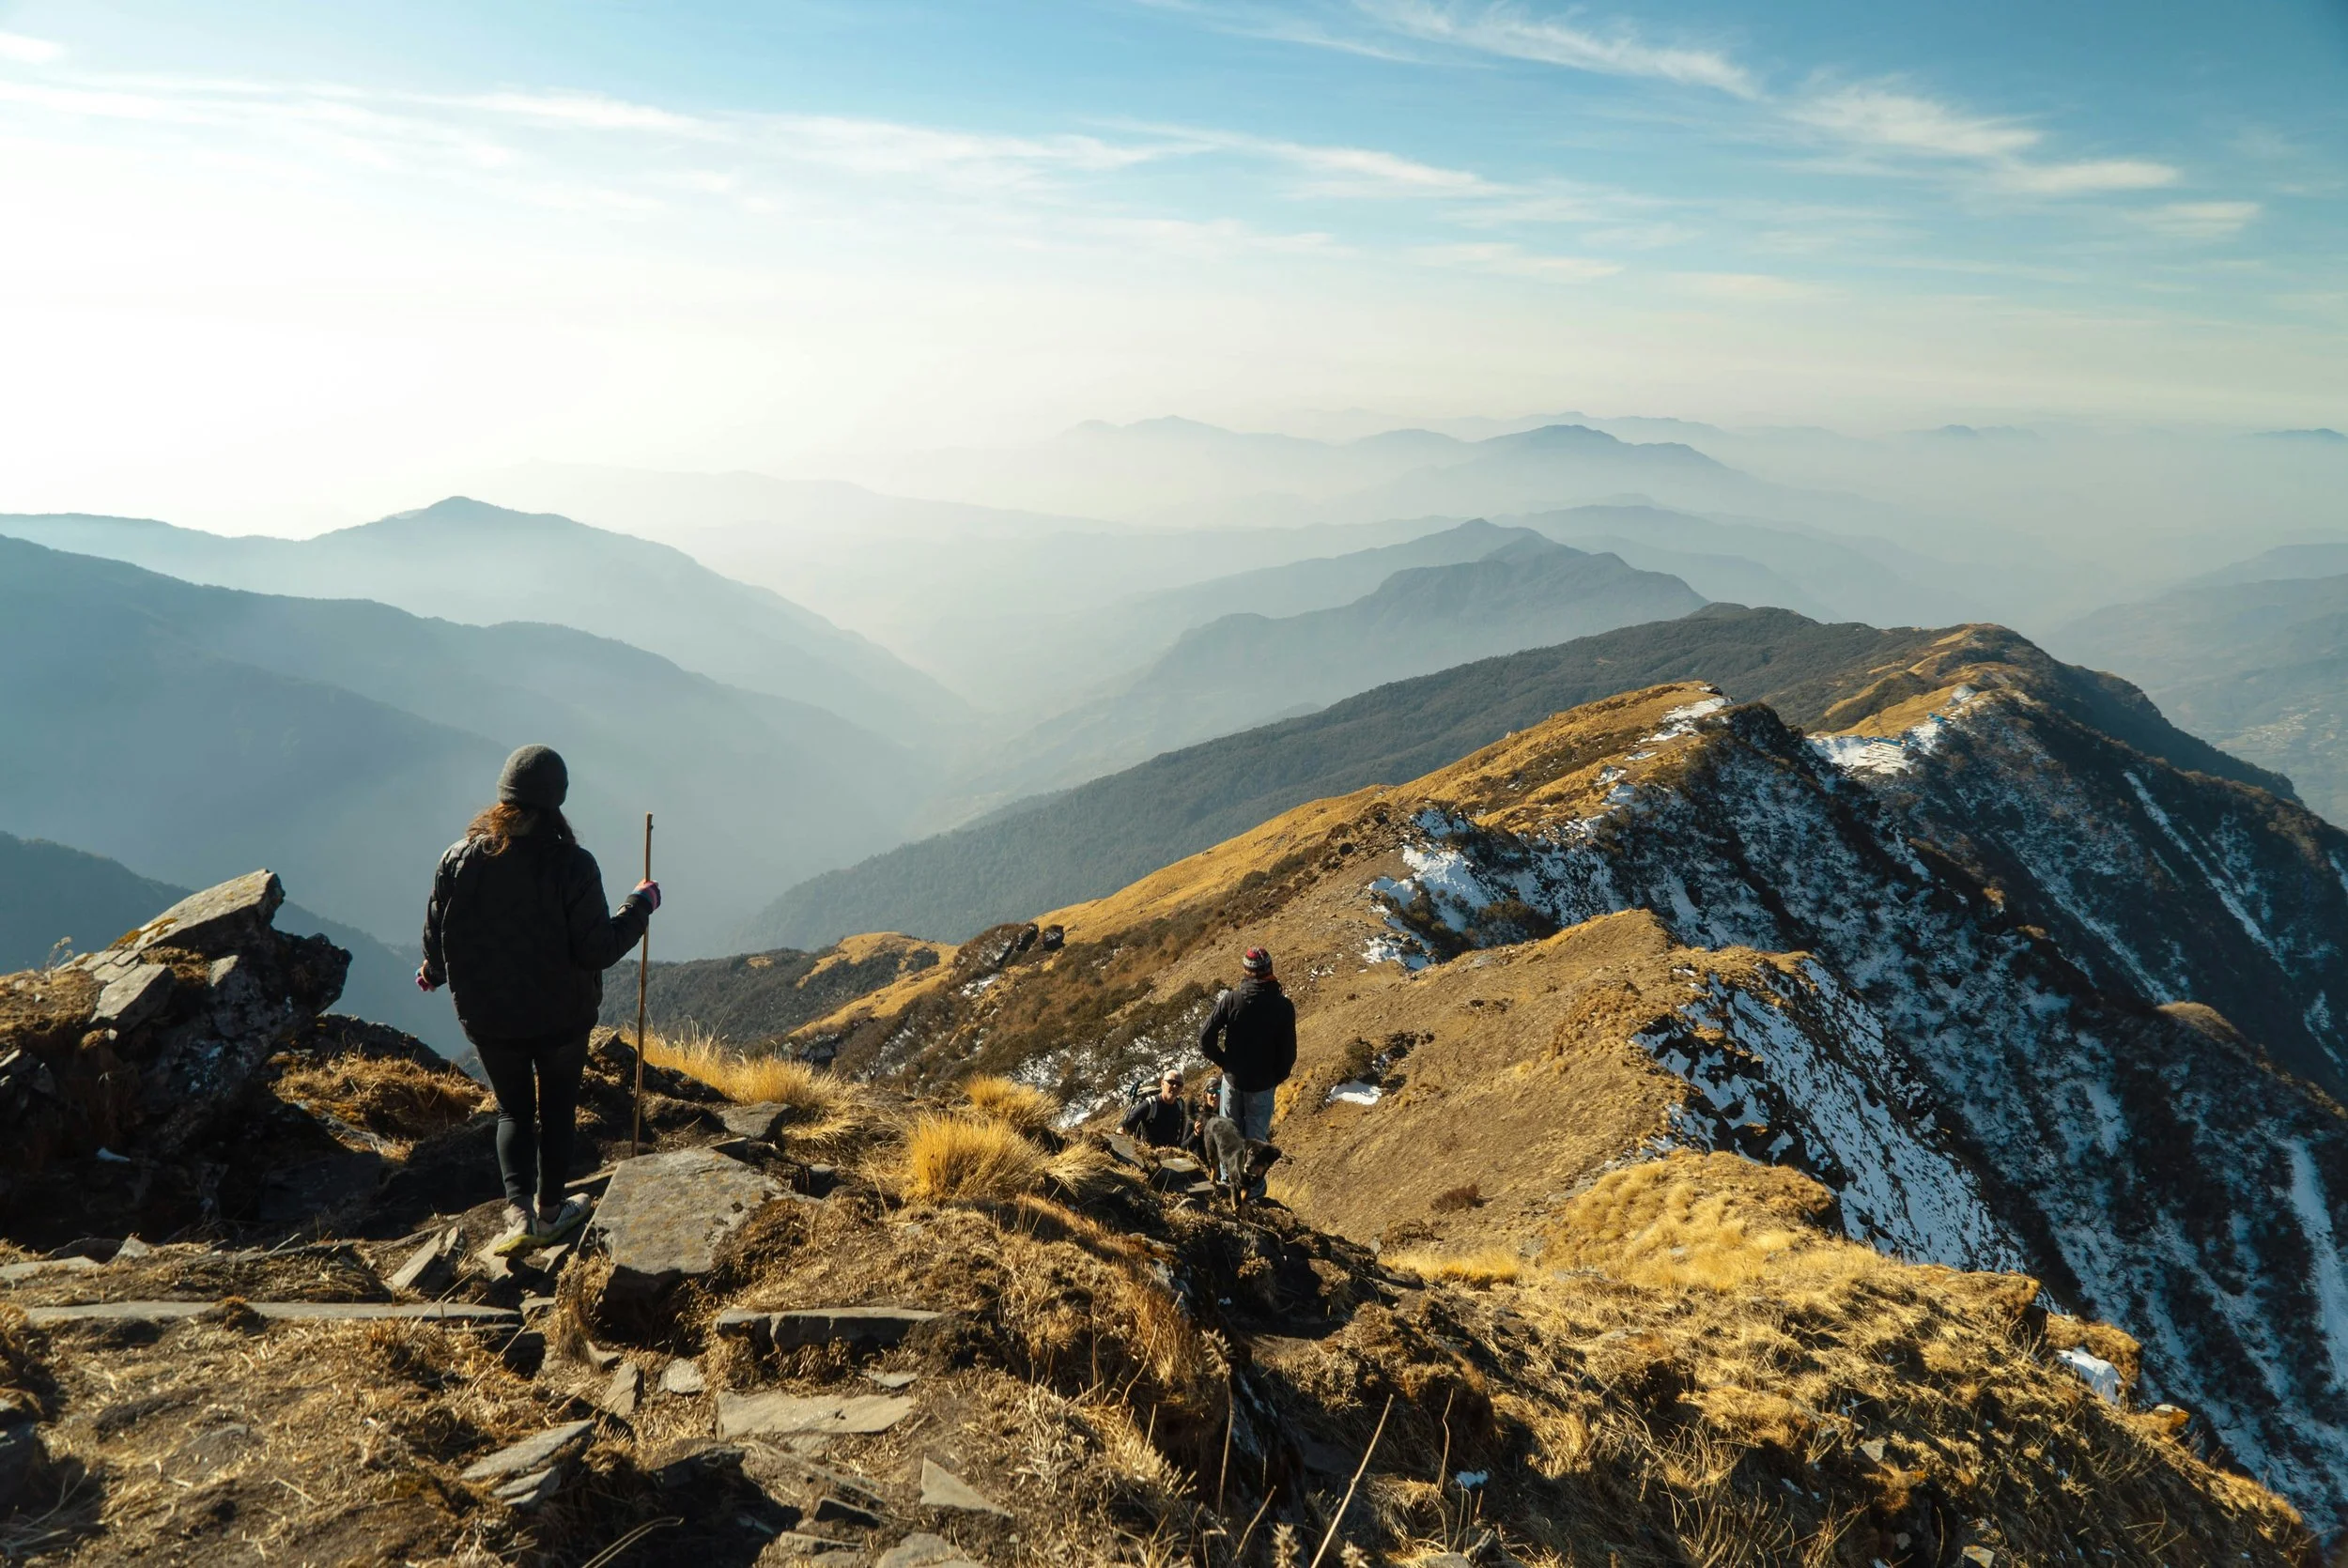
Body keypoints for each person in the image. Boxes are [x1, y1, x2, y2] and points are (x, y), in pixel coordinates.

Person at [417, 745, 659, 1253]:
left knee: (513, 1111)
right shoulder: (572, 865)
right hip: (560, 1017)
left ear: (504, 796)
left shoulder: (458, 859)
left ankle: (517, 1212)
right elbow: (597, 948)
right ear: (558, 799)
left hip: (488, 1017)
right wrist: (639, 905)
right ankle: (551, 1212)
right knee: (557, 1110)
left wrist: (434, 973)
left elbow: (441, 930)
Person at [1197, 946, 1295, 1198]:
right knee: (1255, 1140)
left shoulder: (1232, 999)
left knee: (1230, 1135)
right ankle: (1253, 1192)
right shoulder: (1283, 1006)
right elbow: (1289, 1054)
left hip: (1233, 1081)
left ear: (1246, 972)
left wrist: (1225, 1063)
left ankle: (1229, 1186)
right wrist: (1275, 1078)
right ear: (1269, 971)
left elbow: (1205, 1038)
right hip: (1262, 1086)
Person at [1120, 1066, 1192, 1148]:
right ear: (1162, 1083)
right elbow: (1127, 1124)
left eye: (1179, 1084)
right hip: (1150, 1154)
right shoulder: (1150, 1104)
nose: (1175, 1086)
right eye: (1171, 1082)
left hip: (1172, 1154)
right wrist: (1120, 1130)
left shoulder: (1181, 1104)